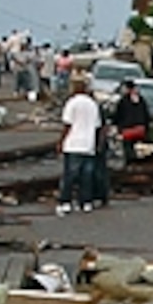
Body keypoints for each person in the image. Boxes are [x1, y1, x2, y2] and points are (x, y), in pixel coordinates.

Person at [56, 78, 103, 213]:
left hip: (73, 144)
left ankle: (66, 201)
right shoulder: (93, 104)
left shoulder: (72, 103)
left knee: (70, 176)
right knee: (86, 176)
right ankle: (86, 202)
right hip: (88, 145)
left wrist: (61, 142)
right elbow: (97, 126)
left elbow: (67, 124)